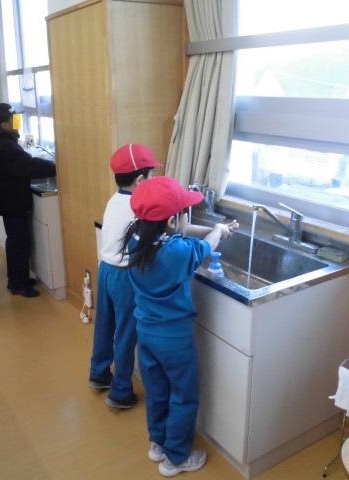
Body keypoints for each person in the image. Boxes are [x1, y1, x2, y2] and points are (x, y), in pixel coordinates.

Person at [122, 176, 238, 477]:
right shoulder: (176, 252)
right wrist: (217, 232)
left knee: (157, 390)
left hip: (146, 332)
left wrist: (217, 228)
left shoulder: (137, 238)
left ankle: (158, 443)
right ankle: (176, 458)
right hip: (174, 339)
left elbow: (183, 231)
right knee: (183, 395)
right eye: (185, 212)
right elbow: (204, 247)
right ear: (172, 220)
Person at [88, 144, 162, 409]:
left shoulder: (115, 199)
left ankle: (98, 373)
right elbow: (156, 237)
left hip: (106, 270)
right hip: (125, 278)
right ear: (140, 180)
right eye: (152, 175)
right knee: (126, 334)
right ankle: (120, 391)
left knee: (105, 326)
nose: (153, 179)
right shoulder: (138, 205)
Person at [0, 103, 56, 298]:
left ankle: (15, 279)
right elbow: (28, 166)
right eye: (14, 119)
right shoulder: (5, 146)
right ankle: (19, 285)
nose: (18, 122)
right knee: (19, 243)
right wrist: (55, 167)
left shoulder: (0, 141)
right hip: (10, 202)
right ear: (4, 125)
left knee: (15, 242)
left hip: (6, 200)